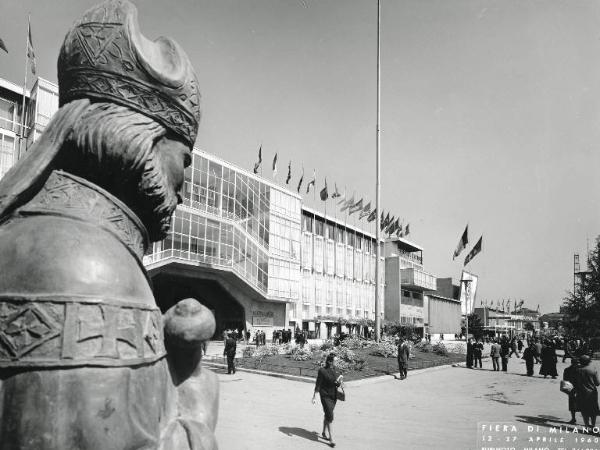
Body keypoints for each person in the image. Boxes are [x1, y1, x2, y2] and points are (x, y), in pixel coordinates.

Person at [0, 1, 220, 448]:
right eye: (184, 162)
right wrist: (194, 407)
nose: (184, 188)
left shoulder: (55, 235)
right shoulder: (88, 267)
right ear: (146, 141)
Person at [312, 353, 342, 448]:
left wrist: (339, 382)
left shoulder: (336, 370)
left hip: (333, 396)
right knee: (330, 415)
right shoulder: (322, 371)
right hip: (325, 395)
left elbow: (336, 383)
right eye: (335, 360)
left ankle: (324, 432)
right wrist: (314, 396)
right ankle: (331, 439)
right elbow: (318, 384)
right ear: (329, 361)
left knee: (328, 414)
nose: (337, 362)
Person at [574, 355, 599, 428]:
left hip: (581, 393)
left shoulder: (577, 370)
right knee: (593, 410)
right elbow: (597, 383)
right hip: (592, 393)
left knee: (584, 410)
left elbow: (574, 382)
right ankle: (593, 425)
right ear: (589, 362)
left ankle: (586, 425)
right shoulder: (593, 370)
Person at [563, 357, 580, 424]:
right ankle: (587, 420)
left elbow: (565, 380)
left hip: (571, 388)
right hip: (581, 389)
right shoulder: (580, 369)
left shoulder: (567, 370)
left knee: (572, 404)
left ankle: (573, 419)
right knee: (583, 404)